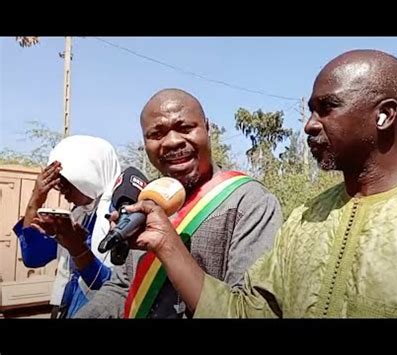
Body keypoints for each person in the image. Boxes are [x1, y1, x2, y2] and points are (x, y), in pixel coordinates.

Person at [121, 50, 397, 318]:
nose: (309, 125)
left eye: (327, 108)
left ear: (384, 115)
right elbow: (245, 311)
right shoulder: (305, 219)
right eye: (311, 110)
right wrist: (167, 245)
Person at [74, 88, 283, 318]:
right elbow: (122, 287)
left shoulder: (250, 203)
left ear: (208, 128)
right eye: (156, 134)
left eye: (185, 128)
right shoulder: (145, 201)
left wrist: (169, 246)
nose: (172, 142)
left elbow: (251, 311)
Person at [13, 135, 121, 318]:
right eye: (59, 186)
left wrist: (77, 249)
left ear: (89, 177)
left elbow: (110, 287)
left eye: (67, 184)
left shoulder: (118, 216)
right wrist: (35, 201)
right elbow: (33, 258)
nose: (63, 193)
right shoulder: (78, 215)